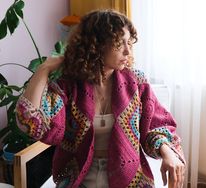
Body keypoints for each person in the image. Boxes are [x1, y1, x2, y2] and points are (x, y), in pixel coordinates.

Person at [16, 9, 185, 188]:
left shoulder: (136, 82)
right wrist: (44, 69)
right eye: (120, 44)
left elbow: (155, 126)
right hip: (79, 175)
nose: (128, 51)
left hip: (129, 177)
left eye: (129, 43)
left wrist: (167, 151)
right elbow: (30, 122)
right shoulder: (68, 87)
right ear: (97, 45)